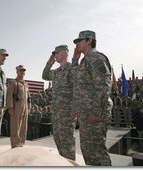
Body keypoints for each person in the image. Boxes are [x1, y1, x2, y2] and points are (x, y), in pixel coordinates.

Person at [71, 30, 112, 166]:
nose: (77, 44)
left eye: (79, 41)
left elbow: (103, 86)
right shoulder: (85, 60)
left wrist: (96, 111)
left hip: (94, 115)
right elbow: (76, 81)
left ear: (89, 41)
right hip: (86, 115)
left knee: (98, 153)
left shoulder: (95, 58)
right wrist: (75, 60)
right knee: (89, 152)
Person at [42, 45, 76, 161]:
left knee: (67, 141)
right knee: (58, 138)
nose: (54, 55)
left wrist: (75, 108)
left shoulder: (73, 69)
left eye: (56, 53)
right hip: (56, 112)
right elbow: (45, 75)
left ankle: (70, 164)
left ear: (64, 54)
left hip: (67, 113)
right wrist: (49, 63)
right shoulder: (56, 72)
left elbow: (78, 89)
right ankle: (63, 163)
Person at [6, 65, 31, 148]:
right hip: (16, 107)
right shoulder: (14, 82)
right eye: (21, 71)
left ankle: (22, 143)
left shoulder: (26, 84)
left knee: (24, 126)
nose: (22, 72)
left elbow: (28, 97)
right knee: (15, 126)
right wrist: (10, 107)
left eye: (24, 71)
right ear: (17, 71)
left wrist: (29, 107)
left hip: (25, 108)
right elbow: (9, 95)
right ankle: (15, 145)